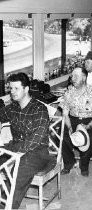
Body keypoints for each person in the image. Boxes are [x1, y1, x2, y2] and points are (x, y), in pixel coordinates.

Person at [0, 72, 50, 209]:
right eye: (10, 88)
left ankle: (7, 206)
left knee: (17, 173)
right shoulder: (11, 108)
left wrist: (18, 152)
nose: (12, 92)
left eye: (16, 88)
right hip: (16, 147)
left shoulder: (40, 109)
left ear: (26, 89)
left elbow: (37, 137)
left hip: (38, 151)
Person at [59, 67, 92, 177]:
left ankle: (84, 165)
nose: (73, 79)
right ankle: (69, 162)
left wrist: (88, 125)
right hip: (73, 119)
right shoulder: (69, 92)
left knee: (89, 138)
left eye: (76, 76)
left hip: (90, 120)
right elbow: (65, 113)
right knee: (61, 135)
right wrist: (69, 125)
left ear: (84, 77)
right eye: (72, 76)